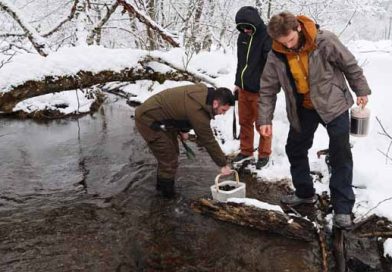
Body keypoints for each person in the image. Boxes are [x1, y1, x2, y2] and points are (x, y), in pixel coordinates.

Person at [257, 12, 371, 229]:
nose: (288, 46)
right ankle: (305, 193)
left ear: (298, 28)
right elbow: (268, 89)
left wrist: (361, 90)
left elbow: (349, 64)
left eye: (290, 40)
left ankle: (343, 208)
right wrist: (264, 119)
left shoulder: (324, 41)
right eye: (282, 42)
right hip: (304, 108)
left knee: (340, 153)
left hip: (334, 104)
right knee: (295, 148)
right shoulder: (276, 53)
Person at [135, 83, 234, 198]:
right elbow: (208, 140)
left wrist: (184, 129)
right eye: (223, 110)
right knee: (169, 160)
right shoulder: (198, 113)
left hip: (162, 118)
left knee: (172, 154)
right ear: (215, 103)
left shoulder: (202, 92)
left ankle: (160, 189)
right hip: (148, 120)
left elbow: (183, 108)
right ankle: (167, 197)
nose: (223, 113)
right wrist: (222, 164)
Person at [233, 6, 273, 169]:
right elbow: (241, 62)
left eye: (248, 27)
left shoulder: (266, 37)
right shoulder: (242, 36)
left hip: (260, 91)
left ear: (255, 24)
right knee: (244, 122)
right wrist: (237, 82)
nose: (246, 30)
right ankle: (246, 151)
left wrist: (267, 88)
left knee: (262, 123)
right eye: (242, 28)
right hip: (244, 88)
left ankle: (264, 154)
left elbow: (271, 66)